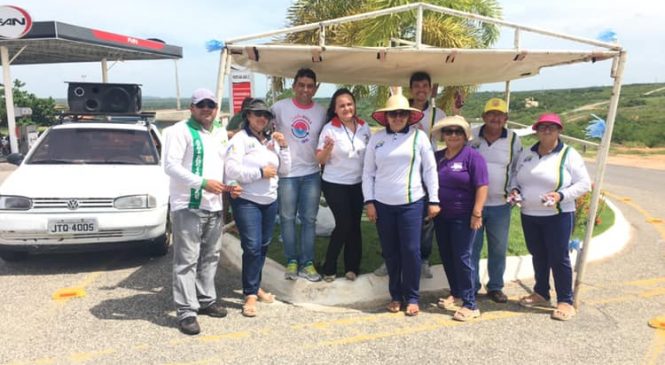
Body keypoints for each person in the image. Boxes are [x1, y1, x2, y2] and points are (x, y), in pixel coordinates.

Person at [163, 88, 241, 335]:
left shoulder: (218, 131)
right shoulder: (179, 131)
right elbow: (170, 166)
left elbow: (222, 164)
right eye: (202, 104)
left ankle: (206, 299)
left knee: (210, 256)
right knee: (186, 259)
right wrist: (202, 182)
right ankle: (186, 311)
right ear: (192, 107)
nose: (207, 108)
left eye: (212, 104)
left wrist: (231, 186)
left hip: (214, 204)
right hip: (189, 204)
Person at [363, 94, 440, 316]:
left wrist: (433, 199)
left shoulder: (419, 138)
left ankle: (413, 297)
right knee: (391, 252)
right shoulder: (376, 139)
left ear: (409, 116)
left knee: (411, 250)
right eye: (393, 114)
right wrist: (369, 201)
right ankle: (396, 295)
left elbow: (429, 170)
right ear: (386, 117)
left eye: (402, 113)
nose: (397, 117)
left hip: (411, 203)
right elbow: (368, 173)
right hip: (383, 204)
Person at [512, 112, 591, 321]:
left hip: (558, 215)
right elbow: (515, 177)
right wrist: (515, 190)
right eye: (543, 127)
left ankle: (565, 300)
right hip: (529, 213)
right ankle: (541, 293)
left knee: (558, 256)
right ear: (536, 130)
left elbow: (583, 183)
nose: (547, 130)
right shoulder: (527, 153)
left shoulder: (568, 154)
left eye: (552, 127)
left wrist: (561, 195)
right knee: (538, 254)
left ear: (559, 131)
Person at [373, 71, 446, 279]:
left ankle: (422, 259)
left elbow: (450, 136)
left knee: (425, 221)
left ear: (431, 88)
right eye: (417, 86)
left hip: (424, 172)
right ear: (411, 88)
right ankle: (390, 260)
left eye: (425, 86)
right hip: (400, 172)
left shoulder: (437, 113)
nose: (421, 90)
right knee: (391, 222)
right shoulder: (400, 108)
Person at [225, 99, 291, 317]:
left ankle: (255, 285)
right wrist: (259, 173)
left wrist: (284, 147)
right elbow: (232, 170)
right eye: (257, 114)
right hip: (247, 200)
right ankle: (250, 294)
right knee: (252, 246)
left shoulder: (271, 139)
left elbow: (285, 170)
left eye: (265, 115)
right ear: (248, 116)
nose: (262, 118)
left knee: (263, 245)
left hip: (269, 200)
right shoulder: (240, 139)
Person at [431, 115, 489, 322]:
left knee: (463, 257)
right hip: (441, 216)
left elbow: (482, 186)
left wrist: (477, 213)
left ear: (465, 135)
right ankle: (456, 294)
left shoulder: (473, 157)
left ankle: (470, 303)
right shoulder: (438, 157)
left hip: (464, 216)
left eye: (458, 131)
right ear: (443, 135)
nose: (453, 135)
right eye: (449, 131)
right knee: (447, 255)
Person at [271, 68, 326, 282]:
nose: (305, 89)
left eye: (310, 86)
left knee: (309, 220)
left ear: (315, 88)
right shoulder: (279, 108)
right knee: (286, 218)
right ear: (294, 86)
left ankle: (308, 263)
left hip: (312, 173)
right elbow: (259, 123)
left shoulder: (321, 112)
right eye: (301, 85)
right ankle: (292, 260)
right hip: (287, 174)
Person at [470, 98, 523, 303]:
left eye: (499, 115)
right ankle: (471, 285)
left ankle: (495, 287)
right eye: (491, 114)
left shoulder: (513, 139)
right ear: (484, 117)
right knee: (472, 247)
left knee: (498, 248)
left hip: (501, 204)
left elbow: (518, 167)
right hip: (475, 204)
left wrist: (515, 189)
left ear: (506, 118)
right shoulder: (472, 135)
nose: (495, 118)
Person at [316, 88, 371, 282]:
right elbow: (320, 160)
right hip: (335, 183)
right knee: (344, 223)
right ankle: (329, 265)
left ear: (354, 105)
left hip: (358, 183)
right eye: (341, 105)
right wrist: (328, 148)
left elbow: (370, 155)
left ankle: (352, 267)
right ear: (335, 109)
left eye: (349, 104)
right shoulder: (329, 128)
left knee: (354, 225)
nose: (346, 108)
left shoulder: (364, 127)